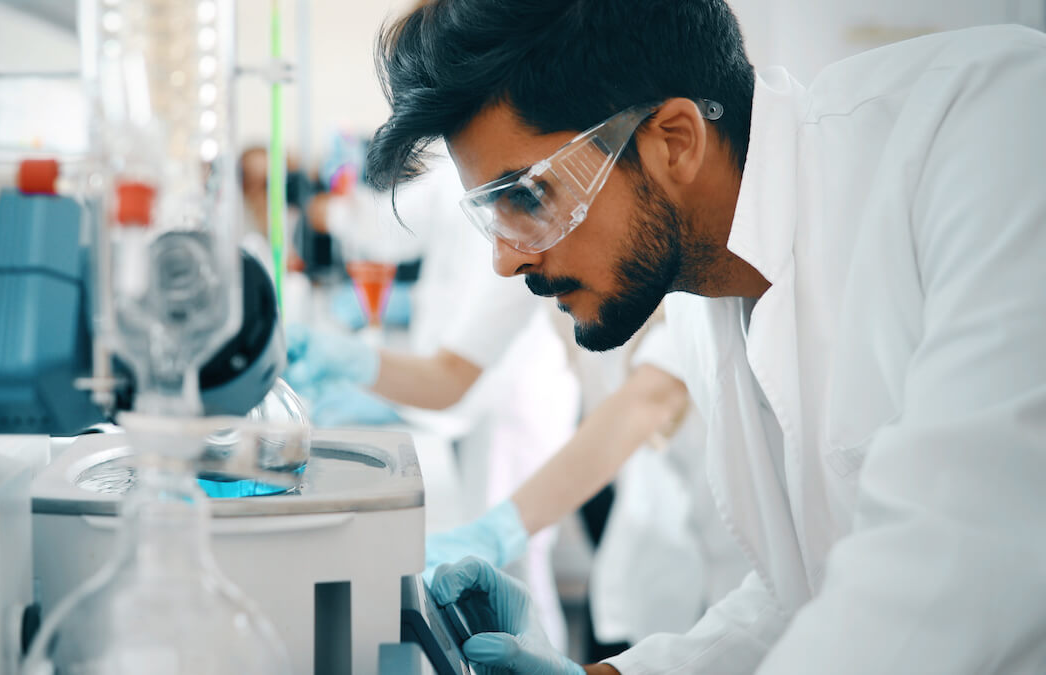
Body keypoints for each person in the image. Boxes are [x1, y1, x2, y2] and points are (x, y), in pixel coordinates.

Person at [362, 1, 1046, 674]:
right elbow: (802, 592)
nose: (505, 259)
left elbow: (955, 561)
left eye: (529, 194)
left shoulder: (989, 125)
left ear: (674, 142)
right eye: (492, 213)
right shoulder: (703, 290)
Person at [287, 157, 581, 647]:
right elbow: (393, 227)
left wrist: (356, 363)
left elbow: (452, 376)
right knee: (501, 571)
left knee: (519, 574)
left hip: (512, 400)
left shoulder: (520, 192)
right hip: (474, 397)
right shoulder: (457, 166)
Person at [426, 315, 751, 663]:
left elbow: (649, 400)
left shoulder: (696, 314)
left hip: (721, 557)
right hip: (646, 521)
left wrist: (498, 531)